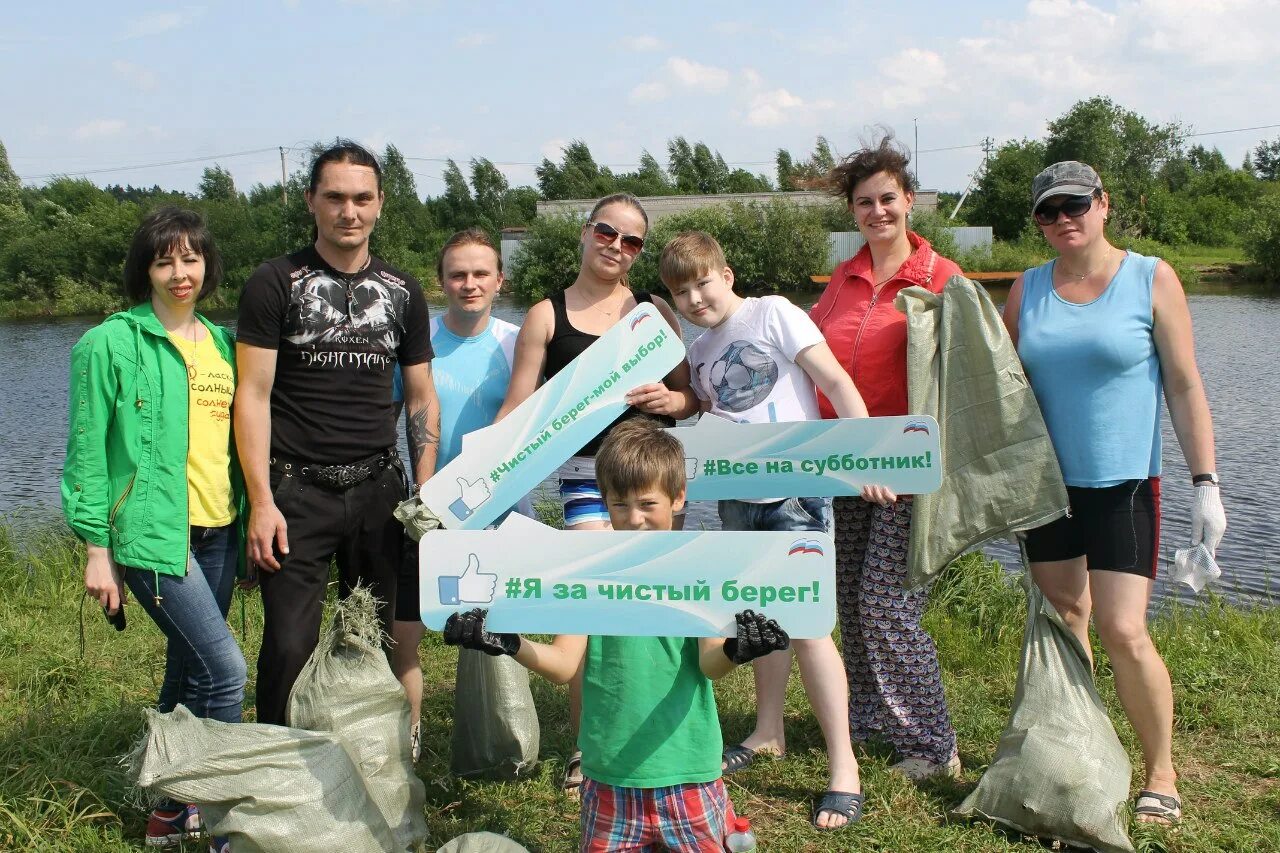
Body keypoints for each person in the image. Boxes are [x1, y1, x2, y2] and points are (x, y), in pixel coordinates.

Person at [441, 418, 790, 852]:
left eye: (648, 503)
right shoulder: (587, 573)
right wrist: (510, 643)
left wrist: (739, 650)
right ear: (603, 501)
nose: (634, 519)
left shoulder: (698, 567)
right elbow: (564, 664)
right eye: (619, 505)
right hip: (607, 774)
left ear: (679, 497)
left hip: (688, 771)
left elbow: (709, 664)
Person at [1003, 160, 1227, 825]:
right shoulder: (1026, 288)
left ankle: (1162, 768)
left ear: (1103, 204)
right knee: (1067, 619)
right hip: (1046, 487)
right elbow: (998, 389)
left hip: (1124, 481)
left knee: (1123, 628)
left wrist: (1206, 484)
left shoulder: (1150, 277)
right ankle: (1082, 755)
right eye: (1048, 211)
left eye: (1075, 204)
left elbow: (1185, 386)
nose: (1063, 219)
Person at [648, 230, 885, 829]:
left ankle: (844, 767)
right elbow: (706, 412)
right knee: (758, 618)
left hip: (797, 492)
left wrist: (864, 454)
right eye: (682, 292)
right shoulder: (699, 351)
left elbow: (833, 382)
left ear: (727, 274)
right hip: (737, 499)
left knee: (808, 627)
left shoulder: (774, 313)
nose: (696, 298)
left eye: (703, 282)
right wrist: (674, 404)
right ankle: (768, 731)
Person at [234, 140, 440, 726]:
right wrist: (261, 502)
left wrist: (421, 495)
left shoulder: (403, 291)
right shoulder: (276, 282)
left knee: (370, 638)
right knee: (288, 647)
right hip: (297, 492)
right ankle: (276, 765)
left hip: (378, 489)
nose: (349, 211)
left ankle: (361, 760)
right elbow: (250, 396)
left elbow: (422, 396)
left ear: (380, 205)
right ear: (311, 202)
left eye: (362, 198)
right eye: (335, 198)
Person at [62, 206, 245, 849]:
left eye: (191, 257)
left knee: (189, 670)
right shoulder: (109, 343)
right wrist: (95, 547)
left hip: (219, 528)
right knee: (225, 672)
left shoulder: (224, 345)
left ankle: (167, 810)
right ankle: (222, 818)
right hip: (149, 535)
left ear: (207, 265)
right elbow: (86, 452)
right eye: (164, 260)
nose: (179, 272)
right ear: (145, 269)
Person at [496, 192, 691, 792]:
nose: (617, 247)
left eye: (632, 241)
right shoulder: (545, 315)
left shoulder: (654, 313)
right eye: (608, 232)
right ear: (586, 233)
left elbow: (690, 398)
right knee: (588, 602)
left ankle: (658, 733)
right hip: (586, 480)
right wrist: (472, 476)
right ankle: (586, 747)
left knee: (650, 611)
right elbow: (518, 408)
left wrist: (672, 400)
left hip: (651, 479)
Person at [808, 136, 965, 781]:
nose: (878, 211)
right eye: (865, 202)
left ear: (911, 202)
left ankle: (934, 742)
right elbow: (808, 361)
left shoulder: (940, 278)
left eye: (888, 199)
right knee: (849, 593)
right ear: (852, 212)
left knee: (887, 601)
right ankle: (874, 717)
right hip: (840, 461)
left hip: (905, 466)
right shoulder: (840, 281)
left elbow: (970, 375)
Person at [388, 228, 523, 759]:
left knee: (498, 632)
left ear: (498, 280)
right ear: (441, 282)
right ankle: (410, 736)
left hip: (500, 509)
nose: (469, 284)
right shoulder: (416, 341)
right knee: (405, 632)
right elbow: (391, 417)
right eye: (458, 274)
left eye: (480, 274)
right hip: (426, 507)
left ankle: (499, 741)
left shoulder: (517, 342)